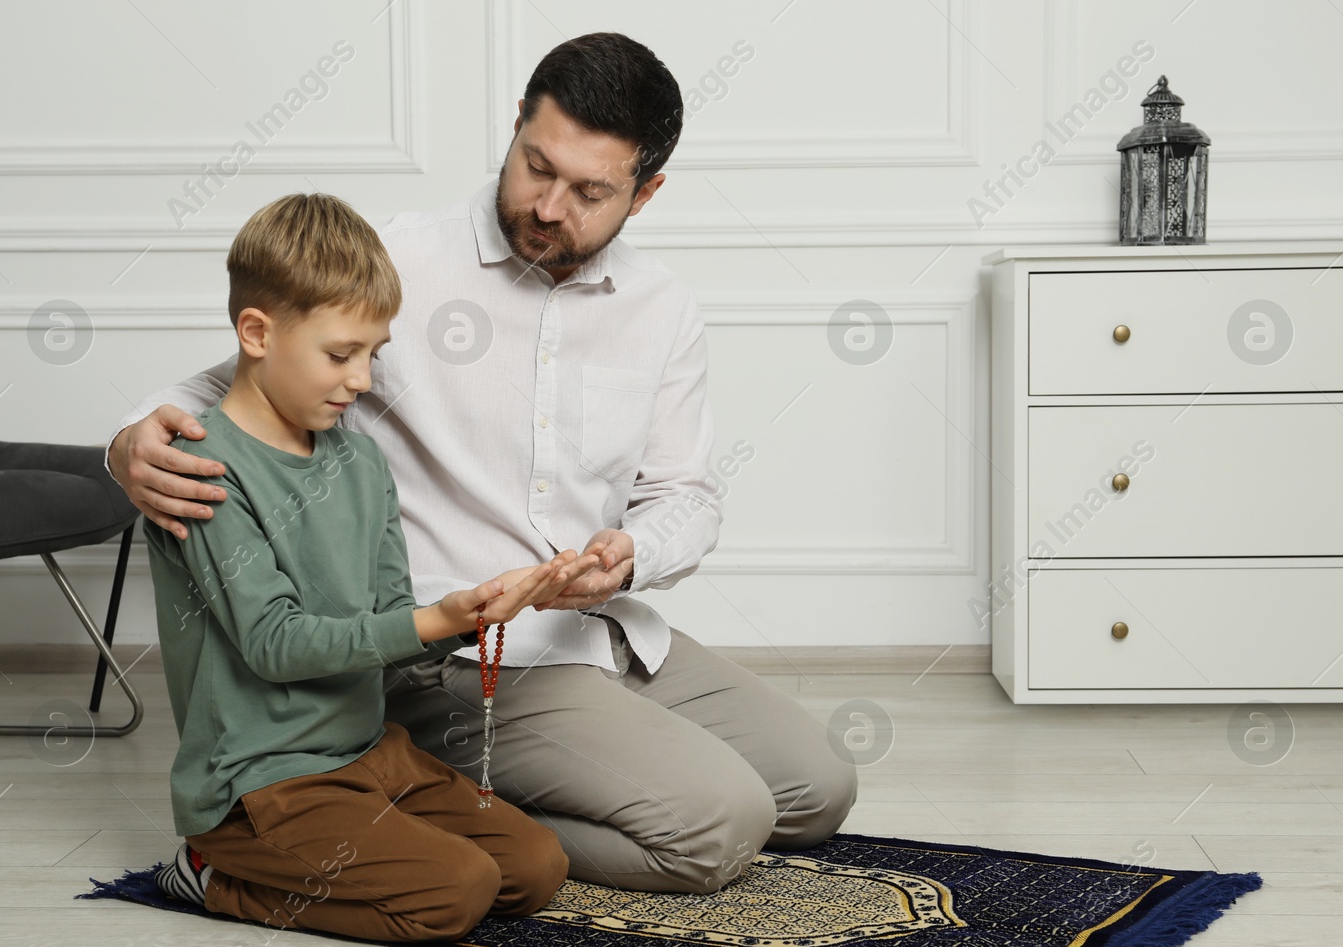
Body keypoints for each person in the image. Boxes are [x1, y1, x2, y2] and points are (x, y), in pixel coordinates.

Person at [110, 33, 857, 895]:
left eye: (590, 191)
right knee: (721, 829)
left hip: (600, 631)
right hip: (454, 660)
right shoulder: (402, 260)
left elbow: (685, 494)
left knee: (817, 791)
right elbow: (242, 370)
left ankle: (495, 795)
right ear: (515, 128)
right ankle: (446, 811)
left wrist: (634, 555)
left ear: (645, 193)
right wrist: (132, 439)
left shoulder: (663, 309)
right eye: (536, 166)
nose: (548, 205)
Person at [143, 191, 597, 941]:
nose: (361, 379)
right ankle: (213, 872)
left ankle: (351, 839)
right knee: (456, 892)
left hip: (368, 751)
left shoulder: (360, 461)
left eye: (373, 355)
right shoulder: (203, 469)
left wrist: (476, 612)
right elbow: (274, 644)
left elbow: (388, 622)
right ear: (256, 332)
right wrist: (439, 617)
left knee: (534, 866)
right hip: (262, 781)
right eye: (339, 354)